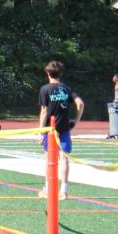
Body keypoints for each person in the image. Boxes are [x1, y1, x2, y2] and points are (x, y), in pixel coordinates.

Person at [38, 60, 84, 202]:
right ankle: (63, 191)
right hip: (64, 128)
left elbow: (44, 111)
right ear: (61, 73)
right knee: (63, 159)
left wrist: (40, 131)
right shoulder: (66, 88)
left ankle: (47, 189)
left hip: (49, 130)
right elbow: (80, 103)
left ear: (48, 73)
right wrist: (76, 120)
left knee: (49, 160)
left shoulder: (45, 89)